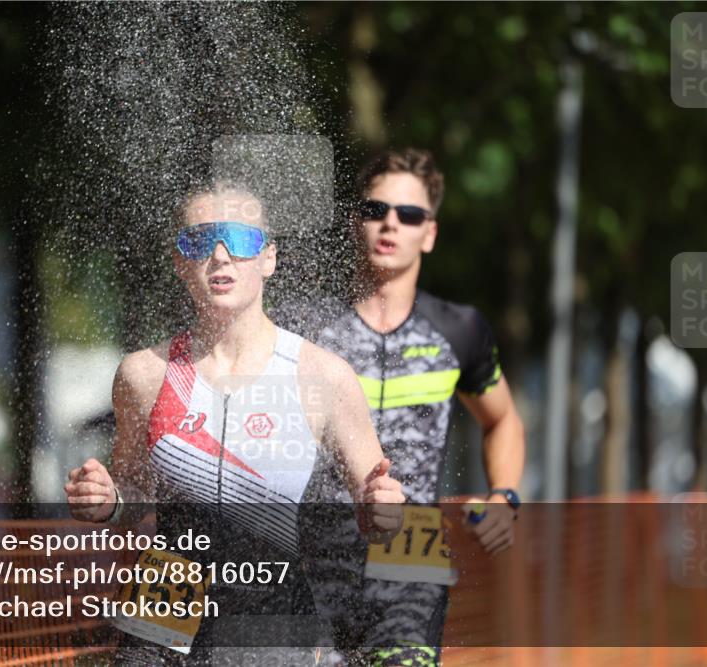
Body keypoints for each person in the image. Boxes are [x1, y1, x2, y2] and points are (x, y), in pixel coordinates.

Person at [65, 181, 406, 665]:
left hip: (269, 611)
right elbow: (133, 492)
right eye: (200, 241)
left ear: (268, 257)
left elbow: (378, 521)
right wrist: (105, 499)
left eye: (241, 241)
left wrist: (384, 509)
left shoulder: (322, 375)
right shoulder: (144, 374)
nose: (221, 257)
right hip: (164, 597)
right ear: (181, 261)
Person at [272, 148, 527, 666]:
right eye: (375, 210)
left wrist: (504, 495)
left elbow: (502, 420)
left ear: (429, 233)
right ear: (354, 221)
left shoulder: (460, 329)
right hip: (315, 561)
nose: (391, 223)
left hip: (413, 560)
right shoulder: (300, 326)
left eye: (409, 215)